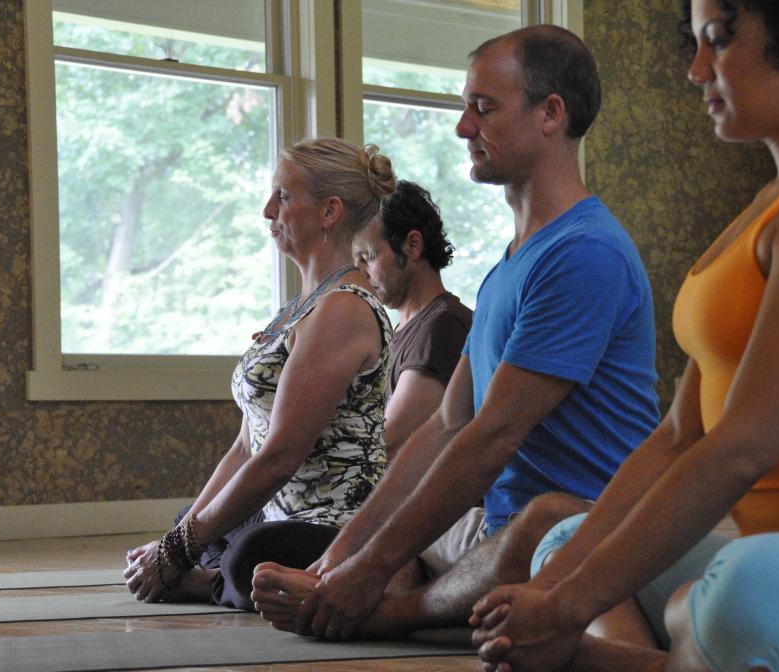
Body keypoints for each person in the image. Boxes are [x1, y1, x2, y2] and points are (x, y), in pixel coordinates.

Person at [468, 1, 779, 671]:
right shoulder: (769, 208)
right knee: (567, 542)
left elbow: (742, 447)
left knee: (750, 587)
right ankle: (683, 650)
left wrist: (567, 609)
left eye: (718, 39)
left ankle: (663, 646)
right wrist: (557, 587)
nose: (695, 69)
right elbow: (678, 438)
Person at [251, 25, 663, 642]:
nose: (463, 127)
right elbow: (446, 425)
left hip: (581, 530)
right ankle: (389, 596)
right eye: (465, 107)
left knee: (533, 528)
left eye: (483, 107)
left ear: (551, 113)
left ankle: (399, 614)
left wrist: (372, 572)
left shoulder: (584, 253)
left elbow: (493, 435)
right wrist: (342, 557)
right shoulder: (510, 264)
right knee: (368, 550)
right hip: (496, 528)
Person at [122, 138, 396, 610]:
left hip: (332, 525)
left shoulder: (343, 310)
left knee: (249, 554)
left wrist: (175, 554)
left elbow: (279, 456)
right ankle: (218, 575)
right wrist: (179, 539)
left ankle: (215, 583)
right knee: (196, 516)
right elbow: (245, 446)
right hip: (277, 512)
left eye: (283, 197)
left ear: (329, 212)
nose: (268, 210)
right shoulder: (301, 308)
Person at [353, 180, 474, 455]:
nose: (360, 271)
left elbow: (388, 441)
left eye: (368, 256)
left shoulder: (442, 327)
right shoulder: (400, 330)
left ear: (413, 245)